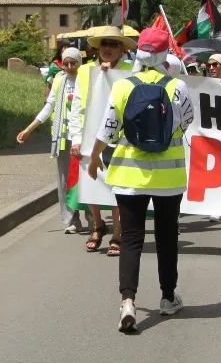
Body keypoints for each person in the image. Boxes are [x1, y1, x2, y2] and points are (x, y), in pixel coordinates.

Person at [85, 24, 194, 332]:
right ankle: (168, 297)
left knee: (131, 238)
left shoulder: (122, 87)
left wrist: (94, 158)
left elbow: (107, 129)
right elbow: (186, 123)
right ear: (163, 56)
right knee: (167, 237)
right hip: (168, 177)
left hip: (129, 175)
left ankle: (128, 301)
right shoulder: (177, 87)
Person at [69, 26, 135, 256]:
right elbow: (77, 106)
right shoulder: (86, 71)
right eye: (104, 44)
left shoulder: (131, 70)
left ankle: (118, 234)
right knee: (90, 185)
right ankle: (98, 224)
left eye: (114, 44)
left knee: (118, 188)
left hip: (120, 138)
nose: (108, 48)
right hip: (90, 136)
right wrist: (75, 138)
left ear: (122, 49)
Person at [16, 46, 86, 234]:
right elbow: (49, 107)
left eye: (74, 63)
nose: (70, 67)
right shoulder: (58, 81)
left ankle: (93, 217)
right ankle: (72, 219)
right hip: (63, 139)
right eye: (66, 63)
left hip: (84, 138)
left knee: (85, 179)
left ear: (80, 62)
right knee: (65, 181)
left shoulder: (87, 79)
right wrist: (29, 129)